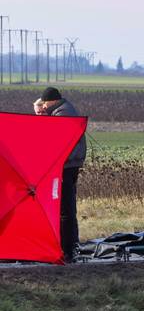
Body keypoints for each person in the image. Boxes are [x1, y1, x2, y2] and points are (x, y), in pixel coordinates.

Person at [37, 87, 86, 263]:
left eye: (44, 103)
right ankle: (69, 246)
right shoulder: (63, 111)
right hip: (69, 166)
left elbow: (50, 138)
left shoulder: (62, 114)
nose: (43, 106)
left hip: (66, 167)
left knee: (65, 209)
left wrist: (40, 116)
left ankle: (68, 250)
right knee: (65, 208)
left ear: (51, 101)